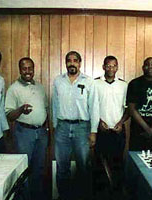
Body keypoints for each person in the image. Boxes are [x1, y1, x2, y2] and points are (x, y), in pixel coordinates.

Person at [52, 51, 99, 200]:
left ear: (80, 63)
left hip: (82, 128)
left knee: (83, 167)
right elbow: (54, 105)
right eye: (69, 60)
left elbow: (94, 108)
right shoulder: (58, 81)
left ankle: (83, 196)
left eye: (75, 60)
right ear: (65, 63)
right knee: (62, 167)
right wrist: (55, 126)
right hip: (62, 128)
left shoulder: (89, 81)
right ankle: (63, 196)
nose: (72, 63)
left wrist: (93, 131)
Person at [5, 57, 49, 199]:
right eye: (24, 68)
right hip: (24, 133)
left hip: (41, 133)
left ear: (34, 69)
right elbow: (10, 116)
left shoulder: (40, 87)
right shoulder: (13, 89)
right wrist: (21, 109)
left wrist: (47, 131)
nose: (28, 71)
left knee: (39, 169)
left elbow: (46, 110)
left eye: (30, 68)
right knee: (24, 170)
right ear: (20, 70)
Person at [94, 56, 129, 193]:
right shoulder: (95, 83)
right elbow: (91, 107)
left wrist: (121, 123)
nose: (111, 68)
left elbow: (128, 108)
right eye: (108, 66)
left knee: (118, 163)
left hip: (118, 130)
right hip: (100, 130)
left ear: (117, 68)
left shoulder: (123, 85)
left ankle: (117, 193)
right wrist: (99, 121)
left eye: (114, 66)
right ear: (103, 67)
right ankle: (101, 193)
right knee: (99, 164)